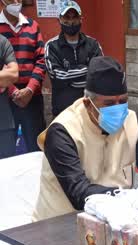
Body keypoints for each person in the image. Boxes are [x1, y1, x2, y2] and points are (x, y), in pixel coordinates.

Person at [31, 56, 138, 222]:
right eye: (109, 103)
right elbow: (79, 193)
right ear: (88, 104)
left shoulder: (133, 121)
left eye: (123, 101)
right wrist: (131, 197)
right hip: (60, 226)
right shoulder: (62, 131)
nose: (118, 109)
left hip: (117, 219)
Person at [0, 0, 46, 154]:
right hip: (5, 100)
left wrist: (30, 89)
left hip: (32, 97)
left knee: (37, 149)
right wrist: (13, 91)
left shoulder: (33, 26)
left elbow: (41, 60)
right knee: (6, 153)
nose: (16, 2)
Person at [44, 1, 103, 117]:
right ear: (59, 20)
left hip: (90, 109)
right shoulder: (51, 46)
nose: (71, 22)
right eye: (66, 17)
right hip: (63, 112)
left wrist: (71, 78)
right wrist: (87, 69)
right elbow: (57, 75)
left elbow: (99, 72)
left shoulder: (93, 44)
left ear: (81, 19)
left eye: (74, 17)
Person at [0, 32, 18, 158]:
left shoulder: (2, 42)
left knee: (7, 169)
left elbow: (13, 75)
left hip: (4, 122)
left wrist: (7, 77)